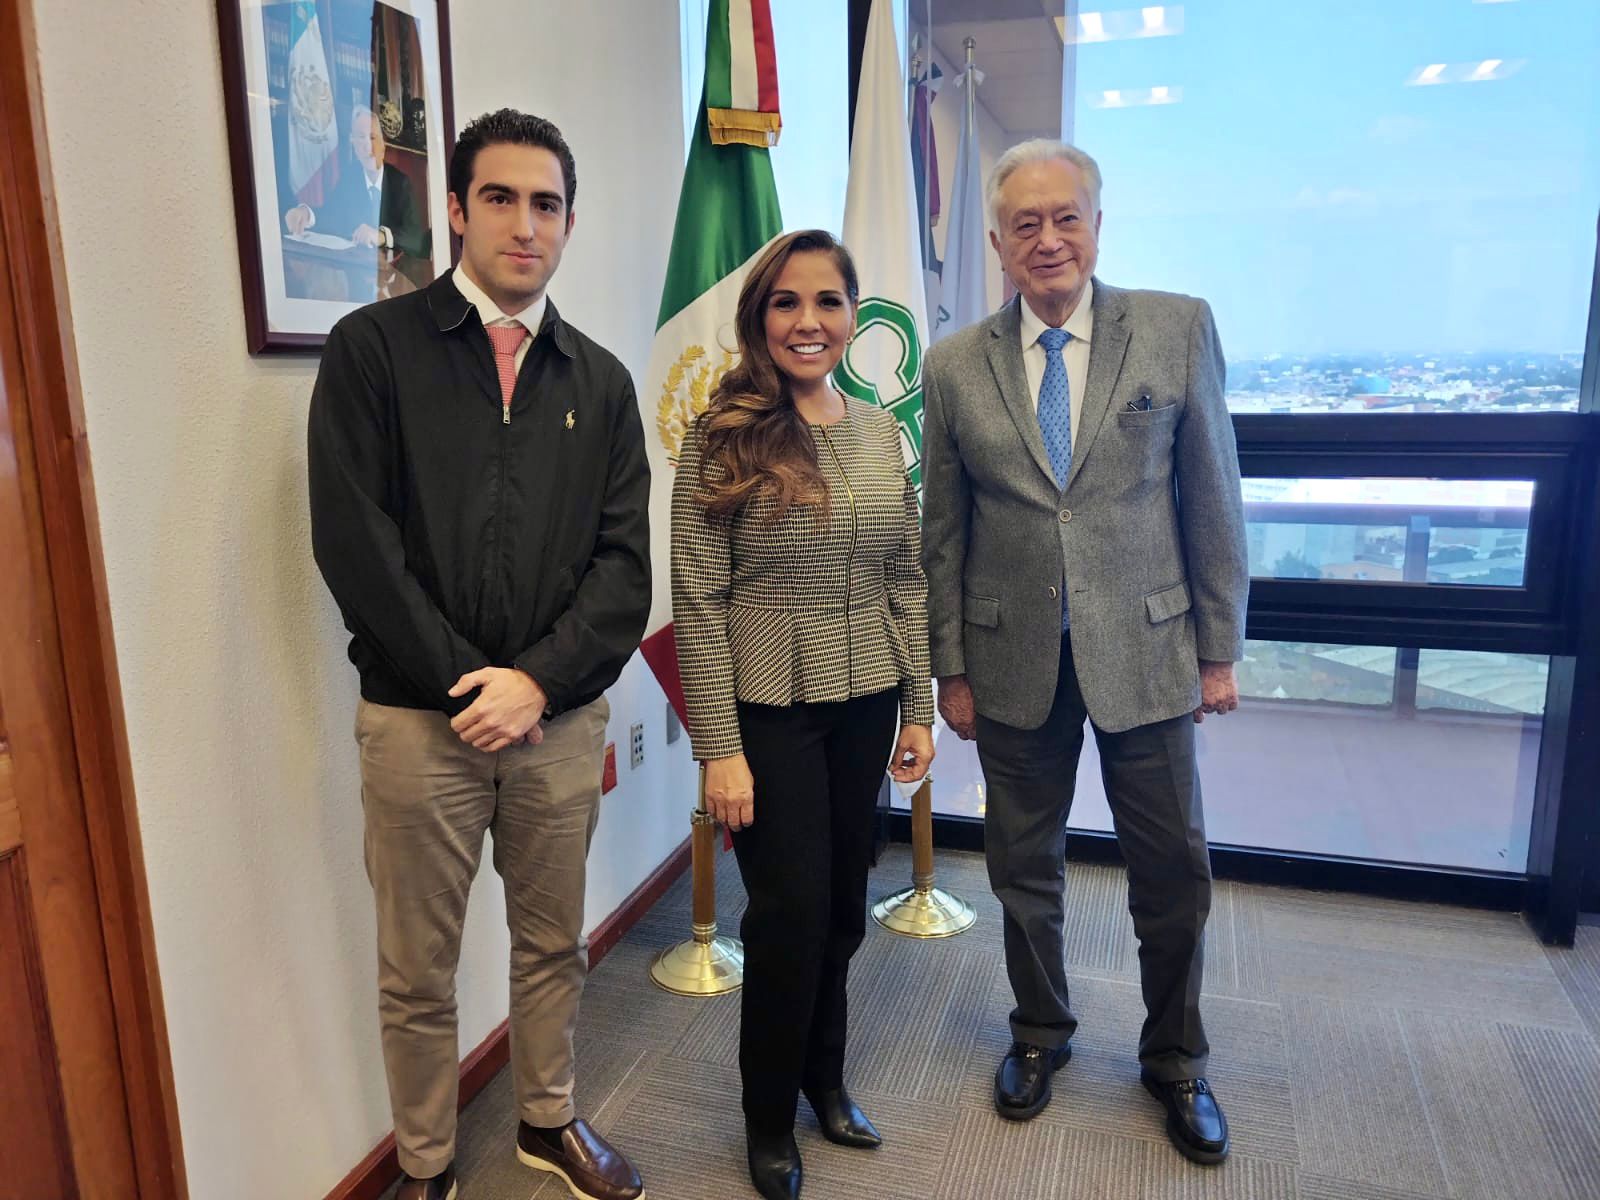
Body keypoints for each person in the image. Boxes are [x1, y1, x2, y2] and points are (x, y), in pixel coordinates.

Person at [308, 108, 649, 1200]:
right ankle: (424, 1162)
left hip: (556, 725)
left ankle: (547, 1119)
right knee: (417, 970)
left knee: (554, 944)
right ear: (456, 210)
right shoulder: (374, 351)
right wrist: (471, 687)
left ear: (569, 222)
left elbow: (624, 571)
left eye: (546, 204)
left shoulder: (600, 383)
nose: (524, 224)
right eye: (499, 198)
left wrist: (536, 683)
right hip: (420, 726)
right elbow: (354, 543)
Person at [920, 139, 1249, 1166]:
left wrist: (1218, 649)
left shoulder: (1175, 327)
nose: (1048, 239)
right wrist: (949, 668)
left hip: (1147, 651)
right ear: (997, 243)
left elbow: (1213, 496)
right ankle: (1039, 1032)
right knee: (1024, 869)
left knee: (1173, 872)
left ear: (1097, 226)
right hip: (1010, 657)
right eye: (1025, 223)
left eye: (1066, 217)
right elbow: (942, 530)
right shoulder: (953, 365)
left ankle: (1176, 1059)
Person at [671, 230, 936, 1200]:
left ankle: (826, 1081)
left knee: (841, 910)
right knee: (787, 916)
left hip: (866, 699)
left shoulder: (876, 430)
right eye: (786, 301)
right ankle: (767, 1117)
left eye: (827, 301)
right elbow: (699, 599)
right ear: (759, 316)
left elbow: (905, 575)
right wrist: (719, 749)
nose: (808, 321)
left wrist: (917, 706)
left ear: (854, 316)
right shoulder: (722, 436)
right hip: (768, 709)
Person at [286, 103, 430, 260]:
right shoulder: (350, 179)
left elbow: (415, 239)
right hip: (359, 266)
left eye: (373, 137)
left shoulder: (401, 183)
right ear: (353, 145)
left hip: (394, 270)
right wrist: (306, 214)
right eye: (361, 138)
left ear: (383, 145)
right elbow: (331, 215)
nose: (368, 146)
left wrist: (381, 236)